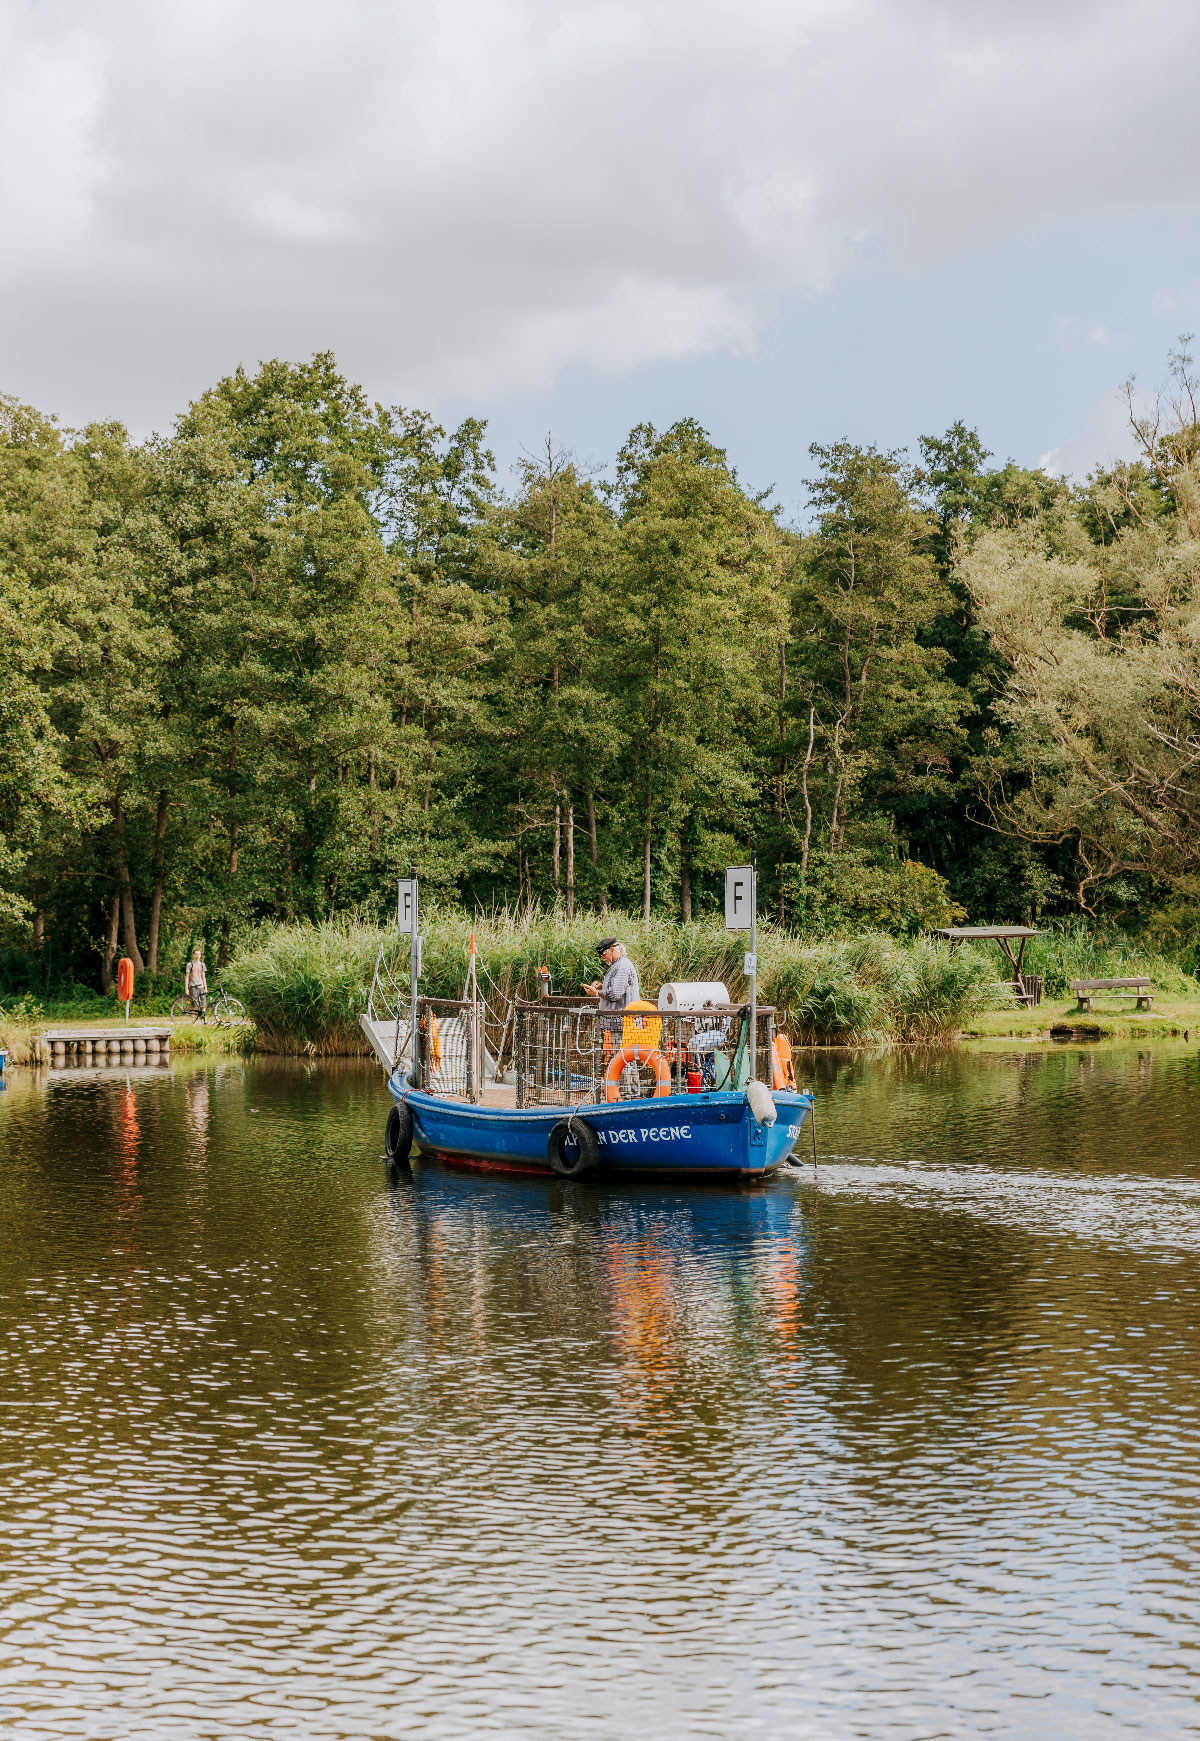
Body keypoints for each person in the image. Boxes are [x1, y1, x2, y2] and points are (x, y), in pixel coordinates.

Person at [184, 946, 208, 1018]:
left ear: (200, 955)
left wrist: (205, 988)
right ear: (193, 955)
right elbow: (187, 977)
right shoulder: (190, 964)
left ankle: (204, 1019)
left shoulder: (202, 965)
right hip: (193, 986)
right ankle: (192, 1019)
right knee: (193, 1004)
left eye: (199, 954)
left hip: (201, 986)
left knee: (203, 1003)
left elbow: (203, 977)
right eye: (196, 954)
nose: (197, 956)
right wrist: (186, 988)